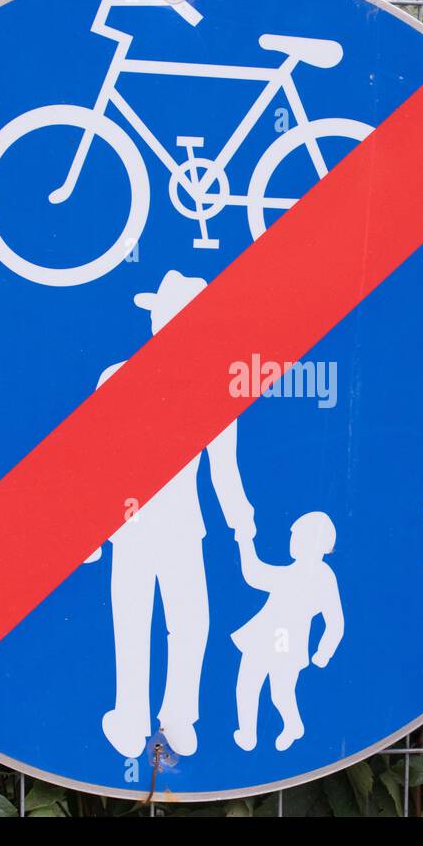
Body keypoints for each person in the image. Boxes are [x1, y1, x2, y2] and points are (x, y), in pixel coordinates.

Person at [85, 270, 255, 759]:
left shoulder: (214, 390)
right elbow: (96, 459)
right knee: (135, 621)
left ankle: (178, 714)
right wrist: (91, 533)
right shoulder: (117, 377)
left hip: (181, 526)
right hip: (132, 526)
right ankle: (132, 719)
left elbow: (225, 469)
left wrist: (243, 523)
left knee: (190, 621)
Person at [231, 511, 344, 752]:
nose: (293, 541)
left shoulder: (322, 577)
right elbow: (254, 575)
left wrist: (325, 651)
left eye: (299, 537)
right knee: (248, 686)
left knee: (279, 693)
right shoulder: (295, 572)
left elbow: (335, 621)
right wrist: (244, 541)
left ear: (318, 544)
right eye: (294, 537)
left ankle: (292, 725)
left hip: (287, 642)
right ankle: (248, 734)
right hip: (265, 638)